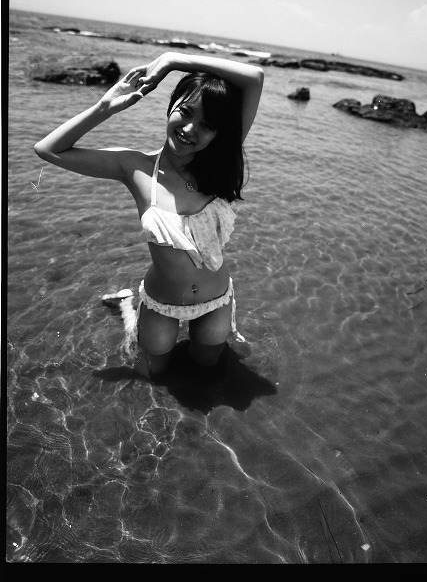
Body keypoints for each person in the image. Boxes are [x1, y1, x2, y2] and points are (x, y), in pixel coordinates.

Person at [34, 51, 264, 379]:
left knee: (207, 370)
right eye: (185, 112)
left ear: (218, 133)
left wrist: (173, 60)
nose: (189, 129)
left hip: (216, 300)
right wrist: (105, 107)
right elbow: (48, 149)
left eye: (207, 125)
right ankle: (128, 307)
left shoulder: (220, 164)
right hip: (162, 302)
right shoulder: (136, 168)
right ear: (170, 106)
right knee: (149, 375)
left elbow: (254, 78)